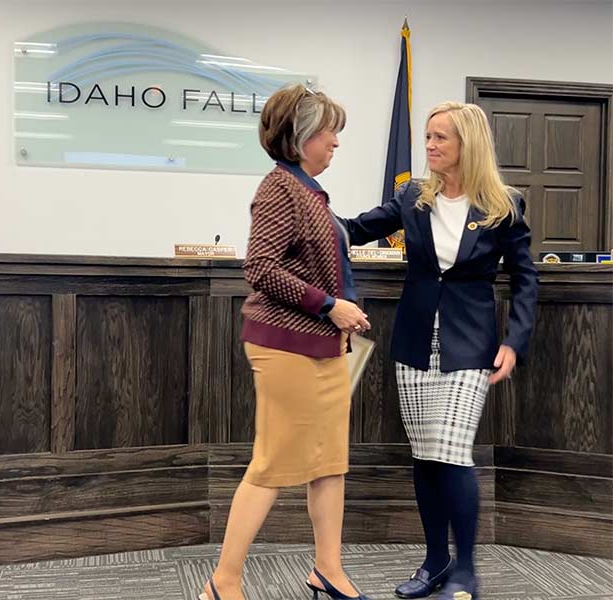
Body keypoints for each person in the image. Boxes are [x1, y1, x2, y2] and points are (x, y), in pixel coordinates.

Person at [338, 101, 539, 600]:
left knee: (452, 452)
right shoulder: (412, 196)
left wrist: (514, 341)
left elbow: (525, 278)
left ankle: (467, 569)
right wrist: (306, 204)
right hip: (414, 342)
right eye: (427, 137)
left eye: (439, 138)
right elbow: (355, 229)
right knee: (426, 456)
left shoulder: (504, 204)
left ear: (467, 144)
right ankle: (434, 562)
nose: (429, 146)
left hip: (470, 344)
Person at [199, 83, 373, 600]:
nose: (336, 143)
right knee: (273, 465)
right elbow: (260, 268)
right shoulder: (279, 189)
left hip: (323, 347)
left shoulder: (310, 191)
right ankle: (223, 581)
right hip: (286, 346)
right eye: (328, 132)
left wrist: (339, 315)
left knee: (330, 461)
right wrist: (329, 305)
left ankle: (328, 570)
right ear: (299, 138)